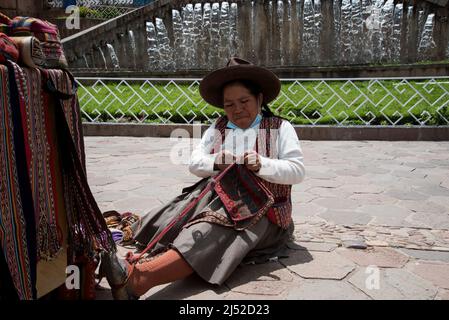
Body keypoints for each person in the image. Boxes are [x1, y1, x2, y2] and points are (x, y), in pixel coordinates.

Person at [100, 57, 306, 300]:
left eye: (244, 101)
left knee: (213, 228)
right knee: (171, 217)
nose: (237, 109)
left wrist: (263, 164)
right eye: (229, 104)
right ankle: (116, 252)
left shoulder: (280, 128)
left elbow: (297, 170)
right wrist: (218, 161)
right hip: (218, 198)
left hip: (264, 214)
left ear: (259, 99)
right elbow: (195, 164)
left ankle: (140, 278)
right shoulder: (218, 128)